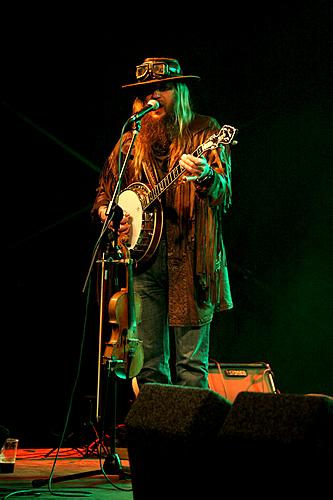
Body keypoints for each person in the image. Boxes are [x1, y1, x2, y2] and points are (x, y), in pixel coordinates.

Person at [91, 57, 234, 390]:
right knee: (150, 366)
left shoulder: (205, 131)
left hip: (193, 258)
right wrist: (109, 216)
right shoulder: (131, 141)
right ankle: (158, 440)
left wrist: (206, 175)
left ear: (179, 91)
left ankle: (192, 441)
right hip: (144, 262)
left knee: (190, 368)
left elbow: (223, 192)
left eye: (163, 88)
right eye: (146, 92)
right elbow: (105, 190)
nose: (153, 96)